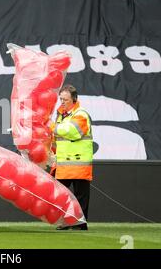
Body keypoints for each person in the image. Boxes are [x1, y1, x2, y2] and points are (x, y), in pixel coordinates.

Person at [51, 84, 92, 230]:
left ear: (74, 99)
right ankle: (67, 221)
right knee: (61, 195)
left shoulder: (81, 114)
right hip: (63, 163)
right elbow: (58, 138)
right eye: (61, 99)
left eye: (65, 100)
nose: (62, 102)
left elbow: (73, 131)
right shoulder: (61, 115)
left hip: (79, 162)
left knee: (80, 196)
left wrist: (51, 127)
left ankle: (80, 224)